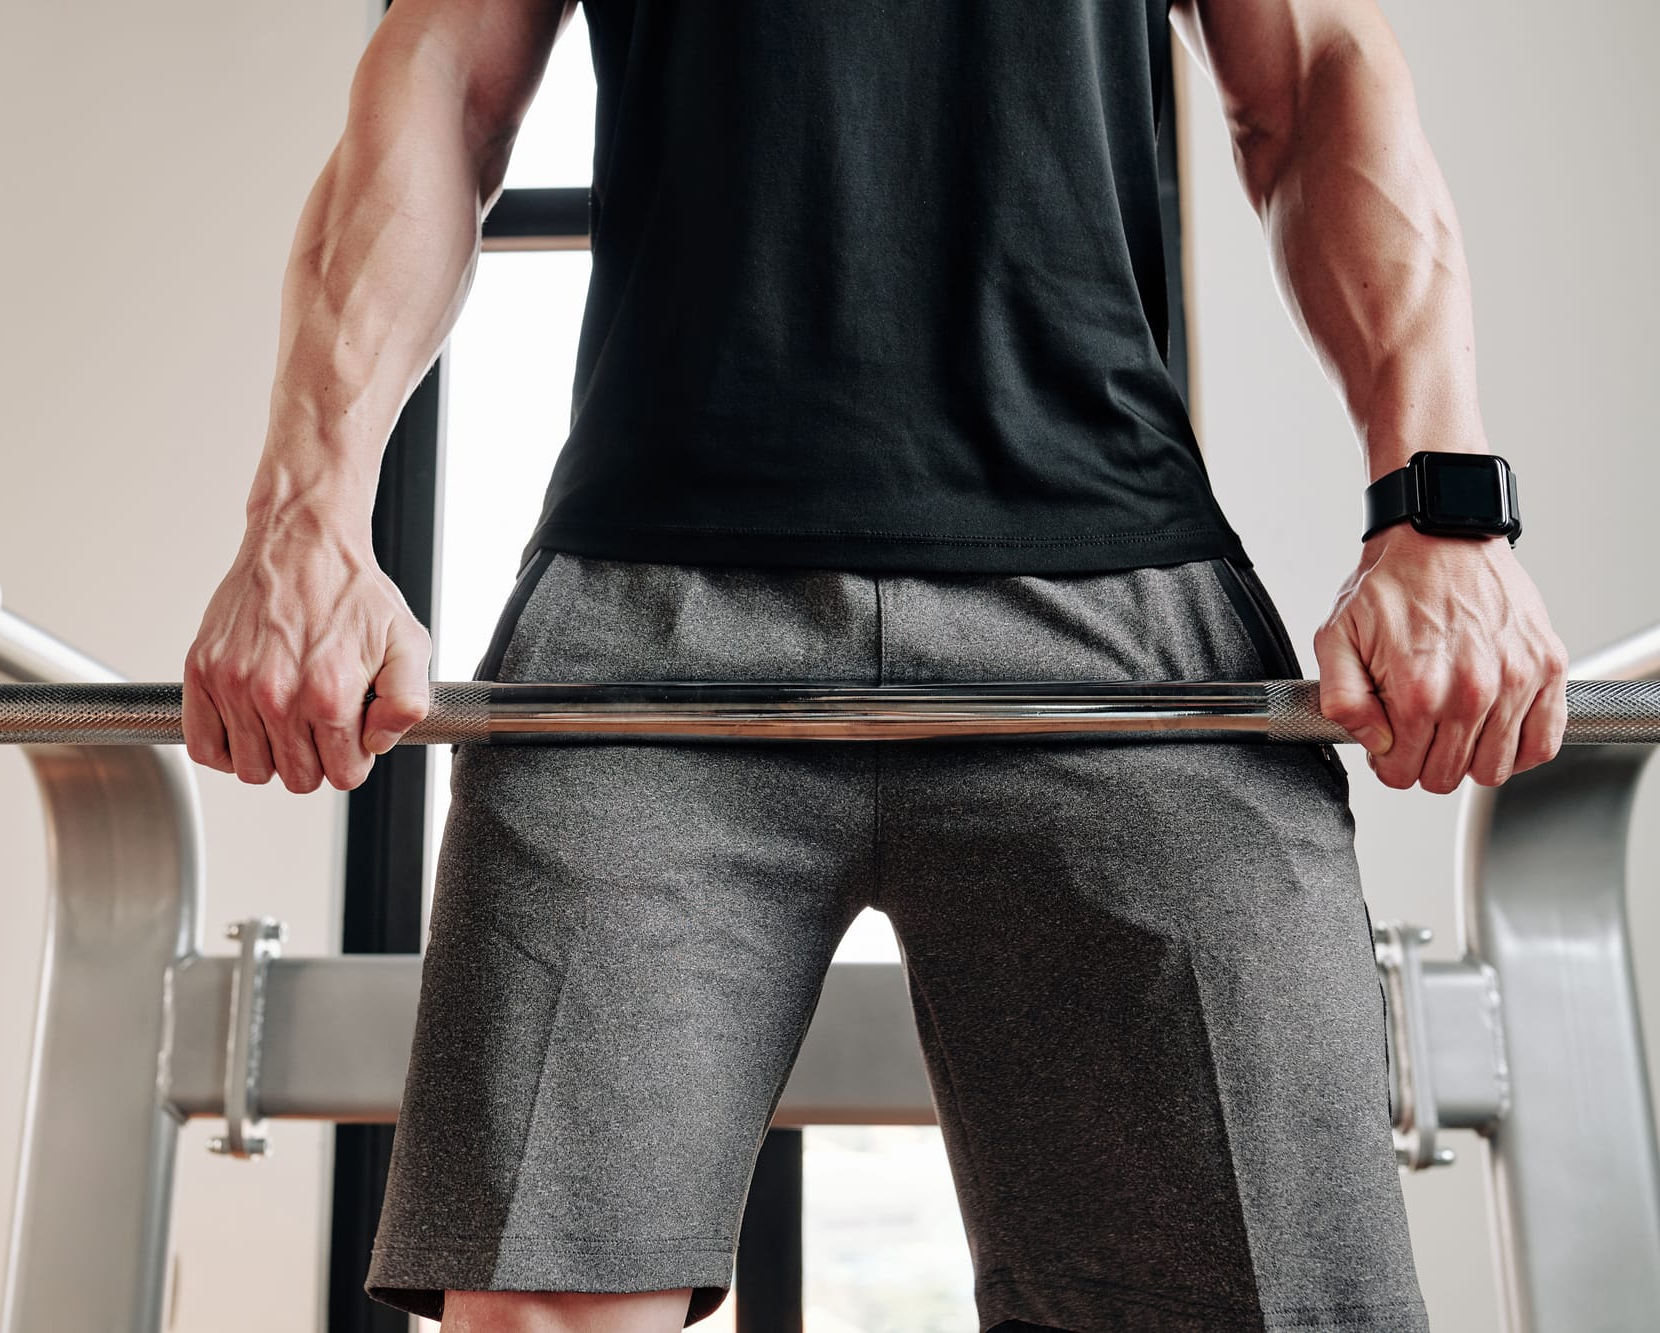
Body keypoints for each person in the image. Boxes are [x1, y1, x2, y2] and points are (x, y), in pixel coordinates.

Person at [184, 1, 1567, 1328]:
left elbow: (1313, 72)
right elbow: (445, 77)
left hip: (1120, 631)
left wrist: (1438, 507)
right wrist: (305, 516)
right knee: (541, 1299)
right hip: (648, 632)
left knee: (1271, 1299)